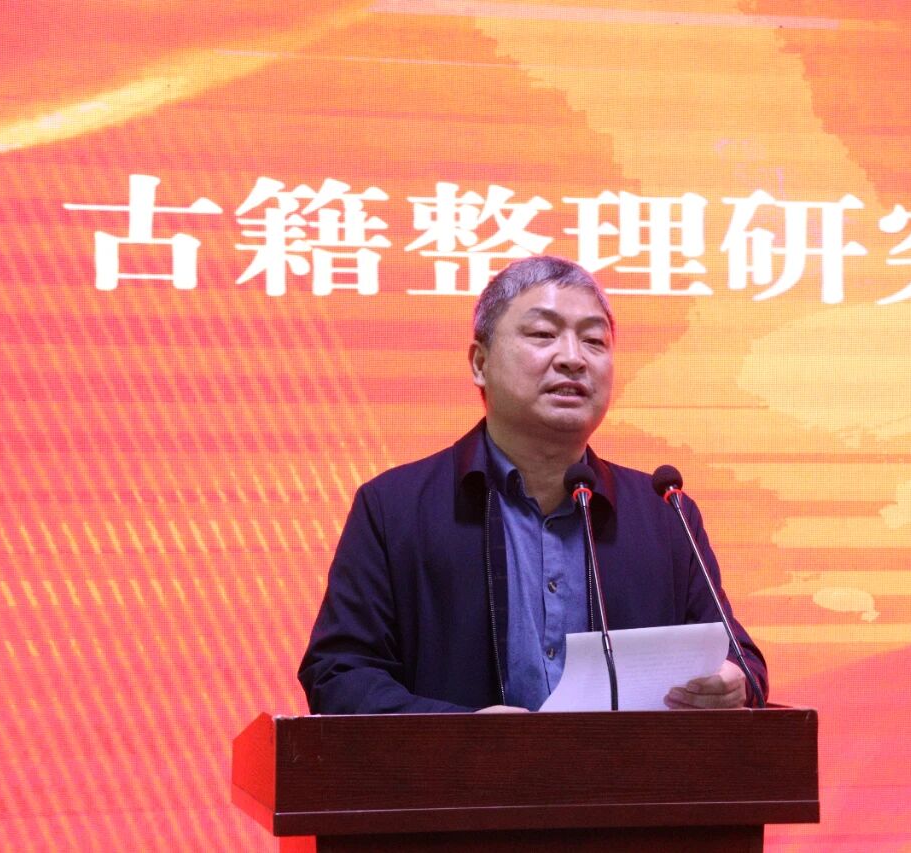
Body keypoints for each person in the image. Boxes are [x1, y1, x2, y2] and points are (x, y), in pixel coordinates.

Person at [298, 255, 767, 713]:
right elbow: (338, 674)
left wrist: (734, 680)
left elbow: (740, 657)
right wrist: (465, 735)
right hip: (461, 769)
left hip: (628, 770)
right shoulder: (395, 508)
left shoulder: (664, 513)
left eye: (594, 341)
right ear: (480, 362)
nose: (573, 359)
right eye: (543, 334)